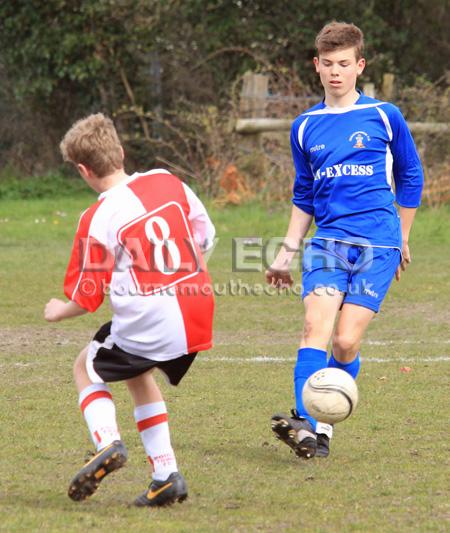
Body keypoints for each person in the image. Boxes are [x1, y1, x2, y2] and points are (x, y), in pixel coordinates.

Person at [266, 21, 423, 459]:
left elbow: (411, 176)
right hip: (328, 242)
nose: (336, 72)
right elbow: (304, 194)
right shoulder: (304, 126)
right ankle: (305, 424)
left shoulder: (383, 116)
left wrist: (403, 236)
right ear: (317, 66)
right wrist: (285, 253)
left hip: (379, 243)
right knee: (316, 326)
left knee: (345, 343)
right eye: (328, 64)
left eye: (344, 64)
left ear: (360, 65)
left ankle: (325, 421)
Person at [44, 113, 215, 506]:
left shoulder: (97, 217)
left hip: (151, 321)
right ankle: (165, 476)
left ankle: (108, 443)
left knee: (86, 364)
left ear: (84, 171)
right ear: (120, 152)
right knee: (137, 371)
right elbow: (205, 233)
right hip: (197, 313)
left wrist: (58, 310)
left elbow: (88, 295)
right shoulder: (167, 180)